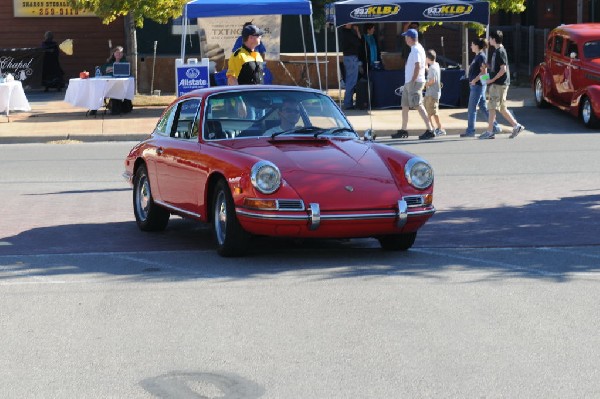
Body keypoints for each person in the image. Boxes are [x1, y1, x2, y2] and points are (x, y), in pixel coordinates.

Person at [480, 30, 525, 139]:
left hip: (499, 84)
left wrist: (492, 80)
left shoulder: (500, 51)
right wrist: (488, 66)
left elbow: (503, 69)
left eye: (490, 38)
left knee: (491, 107)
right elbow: (497, 68)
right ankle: (516, 126)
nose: (489, 40)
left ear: (494, 39)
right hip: (498, 83)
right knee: (501, 108)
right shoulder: (497, 51)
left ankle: (490, 132)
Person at [391, 28, 434, 139]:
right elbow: (423, 66)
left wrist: (413, 81)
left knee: (418, 105)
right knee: (404, 106)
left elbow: (418, 66)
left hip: (414, 82)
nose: (405, 39)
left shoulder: (415, 50)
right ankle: (403, 130)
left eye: (406, 37)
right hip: (409, 82)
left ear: (410, 38)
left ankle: (430, 129)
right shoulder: (418, 48)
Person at [461, 37, 501, 138]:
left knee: (471, 108)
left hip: (477, 86)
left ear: (477, 46)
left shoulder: (481, 57)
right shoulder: (477, 56)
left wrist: (476, 81)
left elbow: (484, 72)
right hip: (477, 86)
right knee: (483, 107)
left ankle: (470, 131)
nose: (471, 46)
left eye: (472, 45)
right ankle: (495, 127)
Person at [100, 45, 132, 115]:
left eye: (120, 53)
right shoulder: (109, 62)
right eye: (117, 53)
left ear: (122, 54)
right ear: (113, 54)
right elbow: (103, 69)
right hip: (110, 83)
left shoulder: (125, 62)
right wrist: (108, 69)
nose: (118, 54)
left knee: (118, 90)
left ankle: (117, 107)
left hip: (121, 84)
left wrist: (116, 68)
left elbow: (128, 73)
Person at [422, 49, 445, 139]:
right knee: (432, 112)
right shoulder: (436, 65)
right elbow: (432, 74)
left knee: (429, 113)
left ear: (428, 58)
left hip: (432, 94)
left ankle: (435, 129)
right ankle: (436, 128)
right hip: (432, 93)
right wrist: (426, 67)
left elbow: (432, 80)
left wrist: (424, 85)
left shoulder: (432, 68)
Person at [340, 24, 362, 110]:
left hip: (349, 57)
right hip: (351, 58)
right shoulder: (347, 33)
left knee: (351, 80)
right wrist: (357, 31)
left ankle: (348, 102)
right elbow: (358, 42)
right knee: (351, 81)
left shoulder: (346, 32)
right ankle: (348, 103)